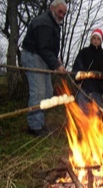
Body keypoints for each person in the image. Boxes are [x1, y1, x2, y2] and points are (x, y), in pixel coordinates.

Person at [21, 0, 67, 137]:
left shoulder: (52, 23)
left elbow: (48, 49)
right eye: (60, 12)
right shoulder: (44, 23)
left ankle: (39, 122)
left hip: (43, 58)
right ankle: (34, 127)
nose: (62, 15)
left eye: (64, 13)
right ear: (52, 8)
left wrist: (55, 60)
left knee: (48, 92)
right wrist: (57, 65)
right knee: (39, 92)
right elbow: (44, 48)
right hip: (34, 57)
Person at [72, 28, 103, 114]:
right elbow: (77, 67)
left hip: (97, 89)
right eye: (94, 38)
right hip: (84, 87)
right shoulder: (84, 52)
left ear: (101, 41)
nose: (96, 41)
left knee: (96, 112)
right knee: (82, 112)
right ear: (91, 39)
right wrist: (77, 82)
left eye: (98, 39)